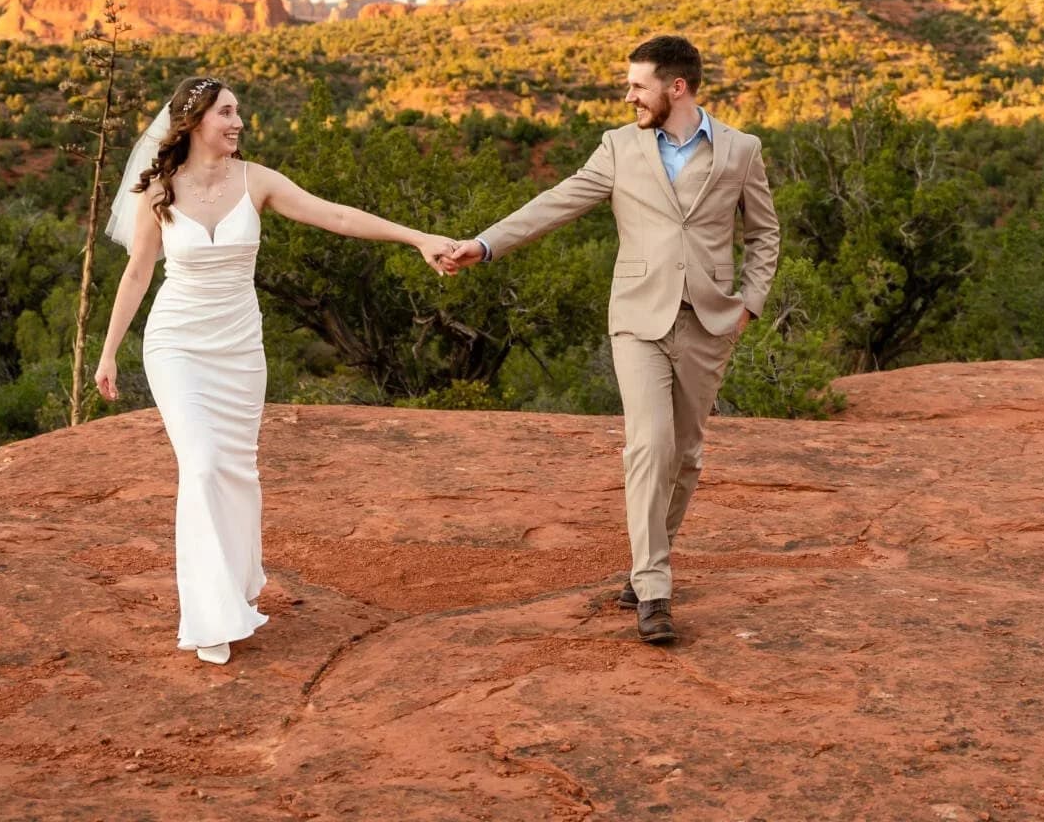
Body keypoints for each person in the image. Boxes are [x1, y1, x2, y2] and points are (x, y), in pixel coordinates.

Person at [94, 76, 456, 665]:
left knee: (236, 470)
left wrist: (417, 238)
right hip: (177, 344)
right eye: (227, 112)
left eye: (239, 113)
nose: (238, 123)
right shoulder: (159, 189)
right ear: (193, 122)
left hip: (239, 348)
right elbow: (138, 271)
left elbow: (335, 216)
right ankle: (208, 615)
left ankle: (233, 590)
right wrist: (110, 351)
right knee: (204, 466)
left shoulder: (256, 181)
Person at [443, 35, 779, 645]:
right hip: (637, 319)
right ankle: (653, 587)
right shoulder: (618, 147)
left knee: (686, 454)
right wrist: (485, 244)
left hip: (708, 323)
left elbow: (765, 232)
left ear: (676, 88)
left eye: (638, 86)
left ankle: (648, 559)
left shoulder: (741, 149)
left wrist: (749, 305)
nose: (628, 96)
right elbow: (557, 201)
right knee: (648, 445)